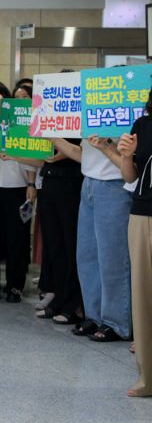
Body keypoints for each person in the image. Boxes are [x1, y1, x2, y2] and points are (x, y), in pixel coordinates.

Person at [53, 132, 133, 342]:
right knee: (87, 257)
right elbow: (81, 154)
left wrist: (106, 145)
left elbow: (130, 159)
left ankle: (116, 322)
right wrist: (51, 137)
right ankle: (95, 316)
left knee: (112, 258)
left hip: (114, 185)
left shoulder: (121, 109)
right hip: (88, 182)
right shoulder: (90, 113)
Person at [0, 80, 36, 303]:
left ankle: (15, 286)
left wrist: (31, 184)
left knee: (17, 240)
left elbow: (31, 156)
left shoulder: (19, 122)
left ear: (7, 98)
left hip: (17, 188)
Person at [118, 99, 152, 397]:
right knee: (143, 295)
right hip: (143, 214)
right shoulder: (143, 124)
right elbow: (131, 177)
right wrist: (126, 156)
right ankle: (147, 377)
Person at [36, 137, 84, 324]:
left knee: (69, 244)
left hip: (72, 180)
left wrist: (62, 151)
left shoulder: (77, 111)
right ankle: (57, 296)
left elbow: (80, 149)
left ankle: (72, 304)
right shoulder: (51, 113)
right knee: (53, 245)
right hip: (49, 178)